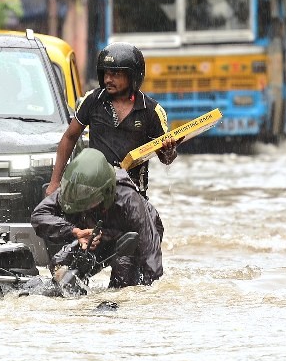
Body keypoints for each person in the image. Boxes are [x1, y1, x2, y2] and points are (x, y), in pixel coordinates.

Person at [45, 42, 178, 198]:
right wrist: (54, 182)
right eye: (106, 74)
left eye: (115, 74)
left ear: (132, 76)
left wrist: (169, 151)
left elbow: (166, 159)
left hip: (133, 196)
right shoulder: (92, 100)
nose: (108, 79)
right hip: (94, 194)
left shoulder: (152, 111)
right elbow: (69, 137)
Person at [31, 148, 163, 288]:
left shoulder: (129, 200)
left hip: (130, 240)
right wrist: (74, 232)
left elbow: (151, 254)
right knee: (60, 264)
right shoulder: (71, 192)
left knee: (123, 272)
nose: (81, 201)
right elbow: (39, 216)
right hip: (97, 236)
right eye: (77, 195)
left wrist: (150, 290)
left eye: (86, 196)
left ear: (106, 192)